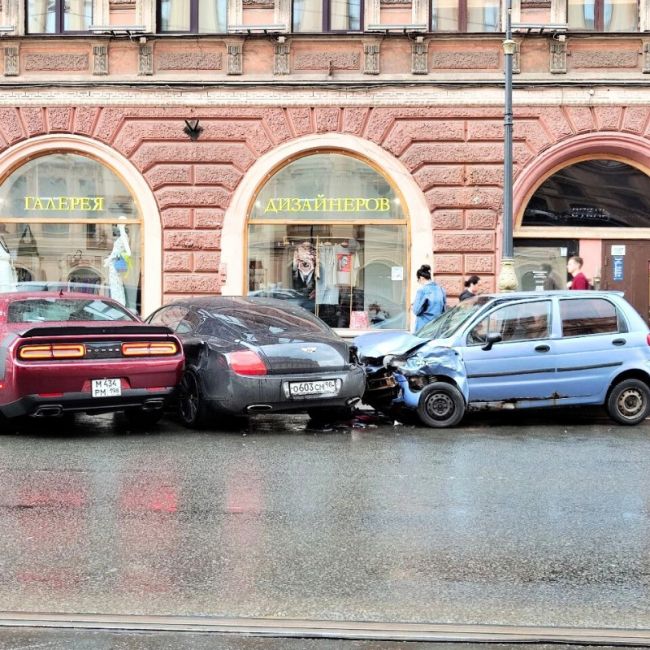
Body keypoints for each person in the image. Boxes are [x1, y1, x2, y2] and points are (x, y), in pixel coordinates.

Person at [412, 264, 446, 331]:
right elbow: (443, 310)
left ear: (421, 278)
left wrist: (413, 306)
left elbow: (416, 311)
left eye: (418, 280)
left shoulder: (422, 290)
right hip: (437, 326)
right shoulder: (441, 289)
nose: (419, 282)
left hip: (423, 327)